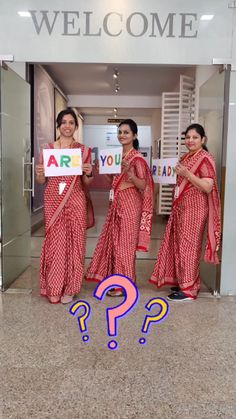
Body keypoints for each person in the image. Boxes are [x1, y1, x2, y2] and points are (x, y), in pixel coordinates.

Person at [150, 123, 221, 301]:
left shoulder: (205, 158)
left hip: (195, 209)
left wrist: (187, 174)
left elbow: (207, 186)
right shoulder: (186, 157)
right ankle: (185, 281)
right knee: (181, 246)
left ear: (203, 139)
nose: (190, 140)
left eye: (194, 137)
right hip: (182, 208)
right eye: (187, 137)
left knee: (189, 247)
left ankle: (189, 290)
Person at [86, 119, 154, 296]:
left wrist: (131, 174)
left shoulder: (137, 159)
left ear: (134, 135)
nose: (122, 135)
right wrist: (105, 172)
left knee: (125, 246)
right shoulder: (118, 156)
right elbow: (114, 181)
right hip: (116, 204)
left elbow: (143, 185)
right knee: (116, 244)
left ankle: (125, 286)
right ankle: (117, 281)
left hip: (131, 206)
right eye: (120, 132)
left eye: (126, 132)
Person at [35, 108, 94, 304]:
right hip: (53, 199)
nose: (67, 126)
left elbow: (86, 183)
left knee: (75, 242)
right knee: (56, 243)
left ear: (76, 127)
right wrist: (40, 173)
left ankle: (71, 287)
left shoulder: (83, 151)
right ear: (58, 126)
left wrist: (88, 173)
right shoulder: (48, 150)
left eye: (71, 123)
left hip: (76, 199)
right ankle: (54, 285)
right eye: (64, 122)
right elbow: (42, 181)